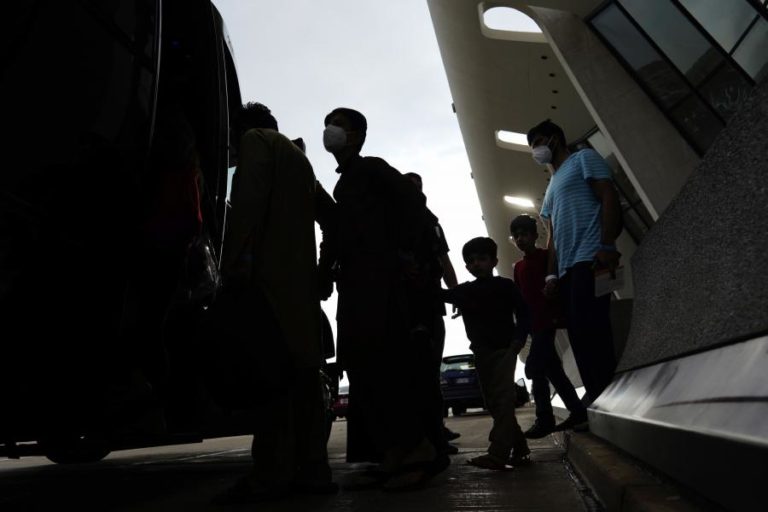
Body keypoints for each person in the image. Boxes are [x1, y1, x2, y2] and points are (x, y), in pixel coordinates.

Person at [215, 102, 336, 504]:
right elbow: (331, 217)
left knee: (271, 382)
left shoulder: (257, 141)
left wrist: (228, 265)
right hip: (300, 287)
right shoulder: (299, 159)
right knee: (305, 380)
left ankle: (270, 474)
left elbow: (247, 205)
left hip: (267, 283)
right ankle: (313, 469)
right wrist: (324, 268)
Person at [323, 107, 448, 491]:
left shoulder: (372, 169)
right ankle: (391, 454)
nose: (330, 132)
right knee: (364, 369)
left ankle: (418, 454)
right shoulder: (343, 185)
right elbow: (340, 236)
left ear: (357, 135)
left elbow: (414, 205)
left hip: (380, 286)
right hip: (356, 286)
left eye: (338, 126)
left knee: (388, 366)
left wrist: (404, 252)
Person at [527, 119, 621, 407]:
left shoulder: (584, 159)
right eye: (532, 147)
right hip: (566, 269)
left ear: (555, 139)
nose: (536, 150)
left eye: (538, 142)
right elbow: (552, 235)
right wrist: (551, 276)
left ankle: (609, 398)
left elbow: (607, 195)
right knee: (579, 335)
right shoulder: (552, 185)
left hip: (590, 257)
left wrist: (606, 245)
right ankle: (596, 403)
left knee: (593, 330)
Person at [441, 237, 531, 470]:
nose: (476, 264)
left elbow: (524, 314)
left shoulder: (506, 286)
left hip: (504, 351)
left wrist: (517, 342)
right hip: (481, 353)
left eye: (482, 259)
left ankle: (498, 454)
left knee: (502, 400)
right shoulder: (465, 291)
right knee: (494, 402)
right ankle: (520, 448)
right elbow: (438, 295)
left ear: (494, 261)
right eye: (470, 261)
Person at [509, 214, 587, 437]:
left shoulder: (547, 257)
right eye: (516, 236)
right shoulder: (519, 267)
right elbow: (521, 300)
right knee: (553, 371)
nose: (520, 239)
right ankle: (577, 410)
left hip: (548, 320)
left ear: (535, 235)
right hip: (535, 324)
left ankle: (544, 418)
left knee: (534, 368)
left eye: (524, 234)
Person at [403, 172, 461, 450]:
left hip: (431, 301)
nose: (415, 192)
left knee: (430, 371)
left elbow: (444, 260)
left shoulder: (432, 224)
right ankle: (426, 434)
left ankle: (435, 428)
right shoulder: (394, 223)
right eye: (409, 187)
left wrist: (456, 294)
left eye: (418, 186)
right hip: (407, 307)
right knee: (417, 372)